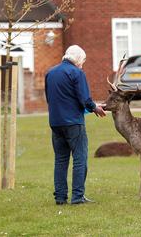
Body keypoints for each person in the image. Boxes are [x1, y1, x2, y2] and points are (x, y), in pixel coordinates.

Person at [44, 45, 106, 205]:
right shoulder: (77, 73)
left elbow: (51, 98)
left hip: (55, 122)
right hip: (73, 123)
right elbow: (84, 99)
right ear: (78, 59)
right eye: (83, 61)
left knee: (61, 160)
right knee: (80, 159)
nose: (82, 64)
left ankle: (60, 197)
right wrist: (95, 108)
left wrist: (90, 105)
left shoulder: (50, 73)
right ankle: (78, 196)